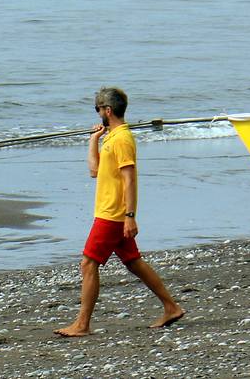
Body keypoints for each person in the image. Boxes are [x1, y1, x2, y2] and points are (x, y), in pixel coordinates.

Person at [54, 87, 184, 337]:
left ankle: (82, 324)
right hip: (109, 211)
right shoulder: (111, 138)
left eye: (98, 109)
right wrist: (94, 140)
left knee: (88, 264)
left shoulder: (123, 139)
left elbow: (129, 179)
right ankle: (171, 307)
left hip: (113, 215)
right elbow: (95, 171)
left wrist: (130, 216)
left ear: (108, 110)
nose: (98, 114)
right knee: (133, 263)